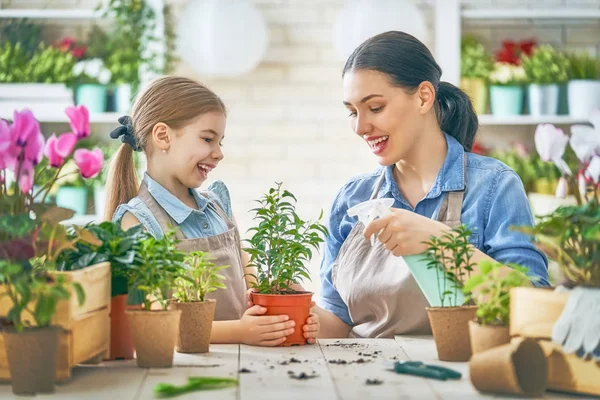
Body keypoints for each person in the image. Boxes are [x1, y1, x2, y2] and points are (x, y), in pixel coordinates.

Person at [315, 31, 550, 339]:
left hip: (462, 378)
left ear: (424, 97)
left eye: (375, 108)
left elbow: (534, 308)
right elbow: (337, 322)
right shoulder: (351, 198)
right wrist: (287, 308)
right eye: (352, 112)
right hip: (366, 380)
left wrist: (438, 242)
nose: (360, 127)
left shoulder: (494, 186)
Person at [105, 76, 319, 346]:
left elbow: (250, 292)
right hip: (188, 372)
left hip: (246, 366)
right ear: (163, 136)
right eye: (208, 139)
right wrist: (239, 332)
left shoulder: (217, 205)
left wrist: (289, 317)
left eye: (221, 142)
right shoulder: (137, 221)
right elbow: (151, 321)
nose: (218, 153)